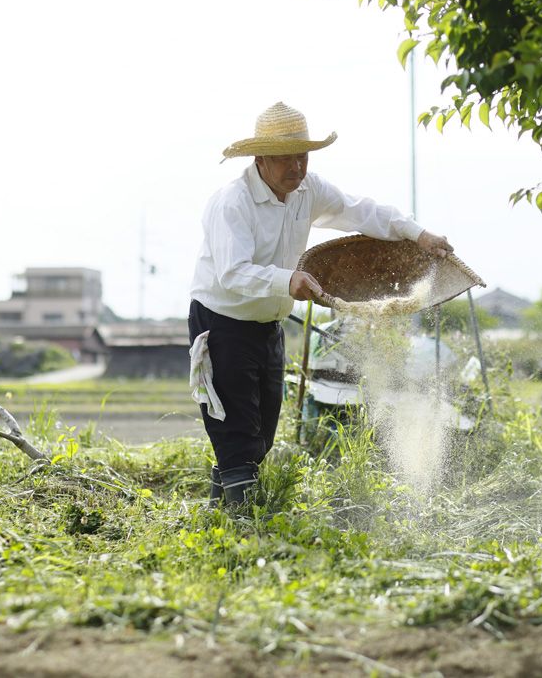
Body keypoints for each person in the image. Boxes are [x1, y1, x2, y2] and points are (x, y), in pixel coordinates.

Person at [188, 101, 452, 507]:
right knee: (236, 431)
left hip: (268, 323)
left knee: (262, 432)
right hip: (222, 322)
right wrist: (288, 279)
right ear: (260, 159)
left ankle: (219, 512)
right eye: (285, 158)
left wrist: (418, 235)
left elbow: (360, 210)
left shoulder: (308, 190)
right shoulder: (232, 203)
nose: (297, 167)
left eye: (302, 156)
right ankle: (243, 527)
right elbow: (233, 273)